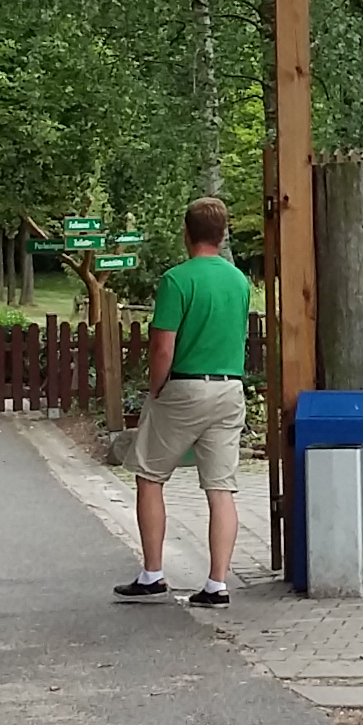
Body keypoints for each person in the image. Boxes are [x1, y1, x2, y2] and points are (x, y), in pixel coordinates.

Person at [115, 196, 251, 608]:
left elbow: (161, 347)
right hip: (229, 388)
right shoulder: (239, 281)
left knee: (149, 475)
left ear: (186, 232)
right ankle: (217, 583)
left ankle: (153, 573)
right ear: (223, 233)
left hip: (186, 388)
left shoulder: (177, 281)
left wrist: (155, 390)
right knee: (220, 487)